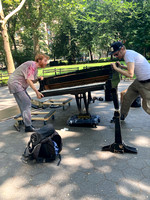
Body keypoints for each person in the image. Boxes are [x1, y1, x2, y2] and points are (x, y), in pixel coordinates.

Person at [8, 53, 49, 132]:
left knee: (25, 103)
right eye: (45, 61)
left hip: (18, 85)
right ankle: (28, 126)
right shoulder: (32, 65)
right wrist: (37, 92)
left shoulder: (35, 69)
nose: (46, 63)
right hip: (15, 83)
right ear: (39, 60)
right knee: (26, 103)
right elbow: (28, 80)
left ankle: (27, 121)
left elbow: (32, 80)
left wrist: (38, 79)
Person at [109, 41, 150, 120]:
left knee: (147, 106)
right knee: (127, 97)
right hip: (139, 81)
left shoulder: (128, 55)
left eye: (116, 54)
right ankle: (121, 116)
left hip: (147, 83)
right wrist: (121, 66)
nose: (116, 56)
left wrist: (116, 68)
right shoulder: (128, 53)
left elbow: (130, 75)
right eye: (114, 55)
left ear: (122, 49)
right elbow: (132, 68)